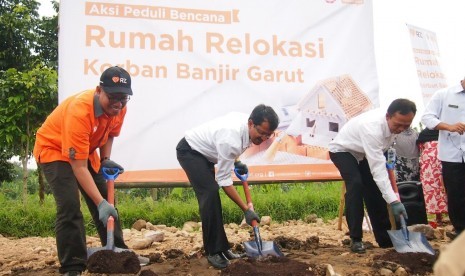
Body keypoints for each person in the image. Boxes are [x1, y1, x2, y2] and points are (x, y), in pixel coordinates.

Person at [33, 66, 137, 276]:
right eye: (113, 97)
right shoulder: (79, 111)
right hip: (54, 151)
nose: (118, 103)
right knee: (70, 205)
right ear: (99, 91)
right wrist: (99, 202)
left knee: (109, 205)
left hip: (85, 151)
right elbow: (78, 167)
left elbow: (110, 133)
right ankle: (73, 264)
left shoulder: (119, 107)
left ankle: (118, 253)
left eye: (123, 98)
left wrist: (105, 159)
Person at [176, 104, 280, 269]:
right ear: (251, 123)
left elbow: (233, 149)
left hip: (207, 154)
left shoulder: (245, 128)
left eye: (268, 135)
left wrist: (237, 162)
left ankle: (223, 249)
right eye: (261, 133)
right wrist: (246, 209)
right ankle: (213, 252)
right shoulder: (230, 139)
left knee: (212, 197)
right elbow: (224, 180)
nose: (263, 138)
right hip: (190, 151)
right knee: (210, 193)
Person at [328, 98, 416, 253]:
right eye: (398, 124)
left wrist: (390, 193)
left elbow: (383, 157)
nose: (401, 129)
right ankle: (356, 239)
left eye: (406, 125)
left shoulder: (395, 125)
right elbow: (377, 168)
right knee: (356, 185)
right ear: (388, 116)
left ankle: (384, 239)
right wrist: (394, 201)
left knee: (375, 191)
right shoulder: (372, 128)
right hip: (344, 150)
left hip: (365, 153)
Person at [421, 77, 465, 240]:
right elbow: (427, 117)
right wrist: (449, 126)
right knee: (455, 192)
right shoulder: (444, 95)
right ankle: (460, 229)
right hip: (451, 153)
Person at [416, 128, 448, 225]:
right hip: (428, 165)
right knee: (432, 189)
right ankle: (438, 217)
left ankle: (453, 216)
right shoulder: (423, 134)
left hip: (443, 159)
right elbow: (420, 148)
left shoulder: (444, 131)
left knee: (447, 186)